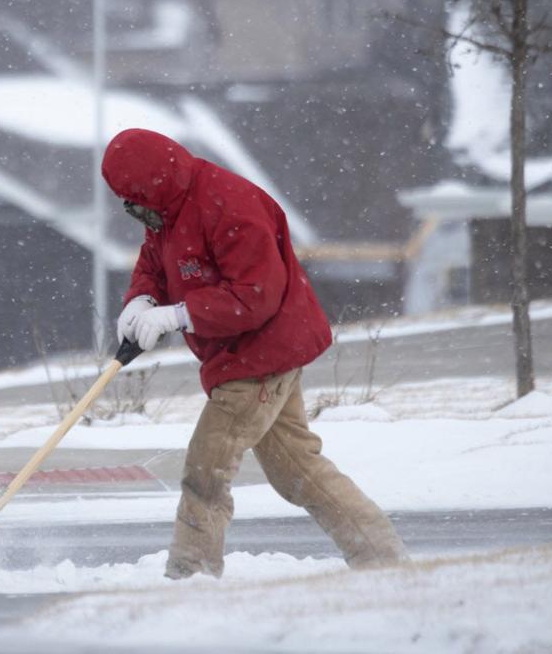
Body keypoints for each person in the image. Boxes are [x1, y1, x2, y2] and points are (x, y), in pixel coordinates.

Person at [102, 127, 408, 579]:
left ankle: (190, 575)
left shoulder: (229, 204)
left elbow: (257, 294)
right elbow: (154, 263)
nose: (133, 211)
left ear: (154, 184)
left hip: (261, 354)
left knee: (206, 470)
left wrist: (178, 315)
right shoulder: (166, 210)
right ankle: (383, 559)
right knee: (296, 469)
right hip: (239, 355)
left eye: (135, 200)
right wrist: (142, 298)